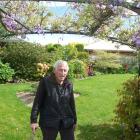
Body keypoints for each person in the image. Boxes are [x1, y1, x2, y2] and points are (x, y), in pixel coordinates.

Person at [30, 60, 77, 140]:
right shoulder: (45, 82)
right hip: (49, 120)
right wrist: (33, 120)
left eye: (65, 70)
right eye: (60, 70)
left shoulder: (69, 84)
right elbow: (37, 102)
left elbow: (71, 102)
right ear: (54, 70)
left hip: (66, 120)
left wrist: (74, 120)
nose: (63, 73)